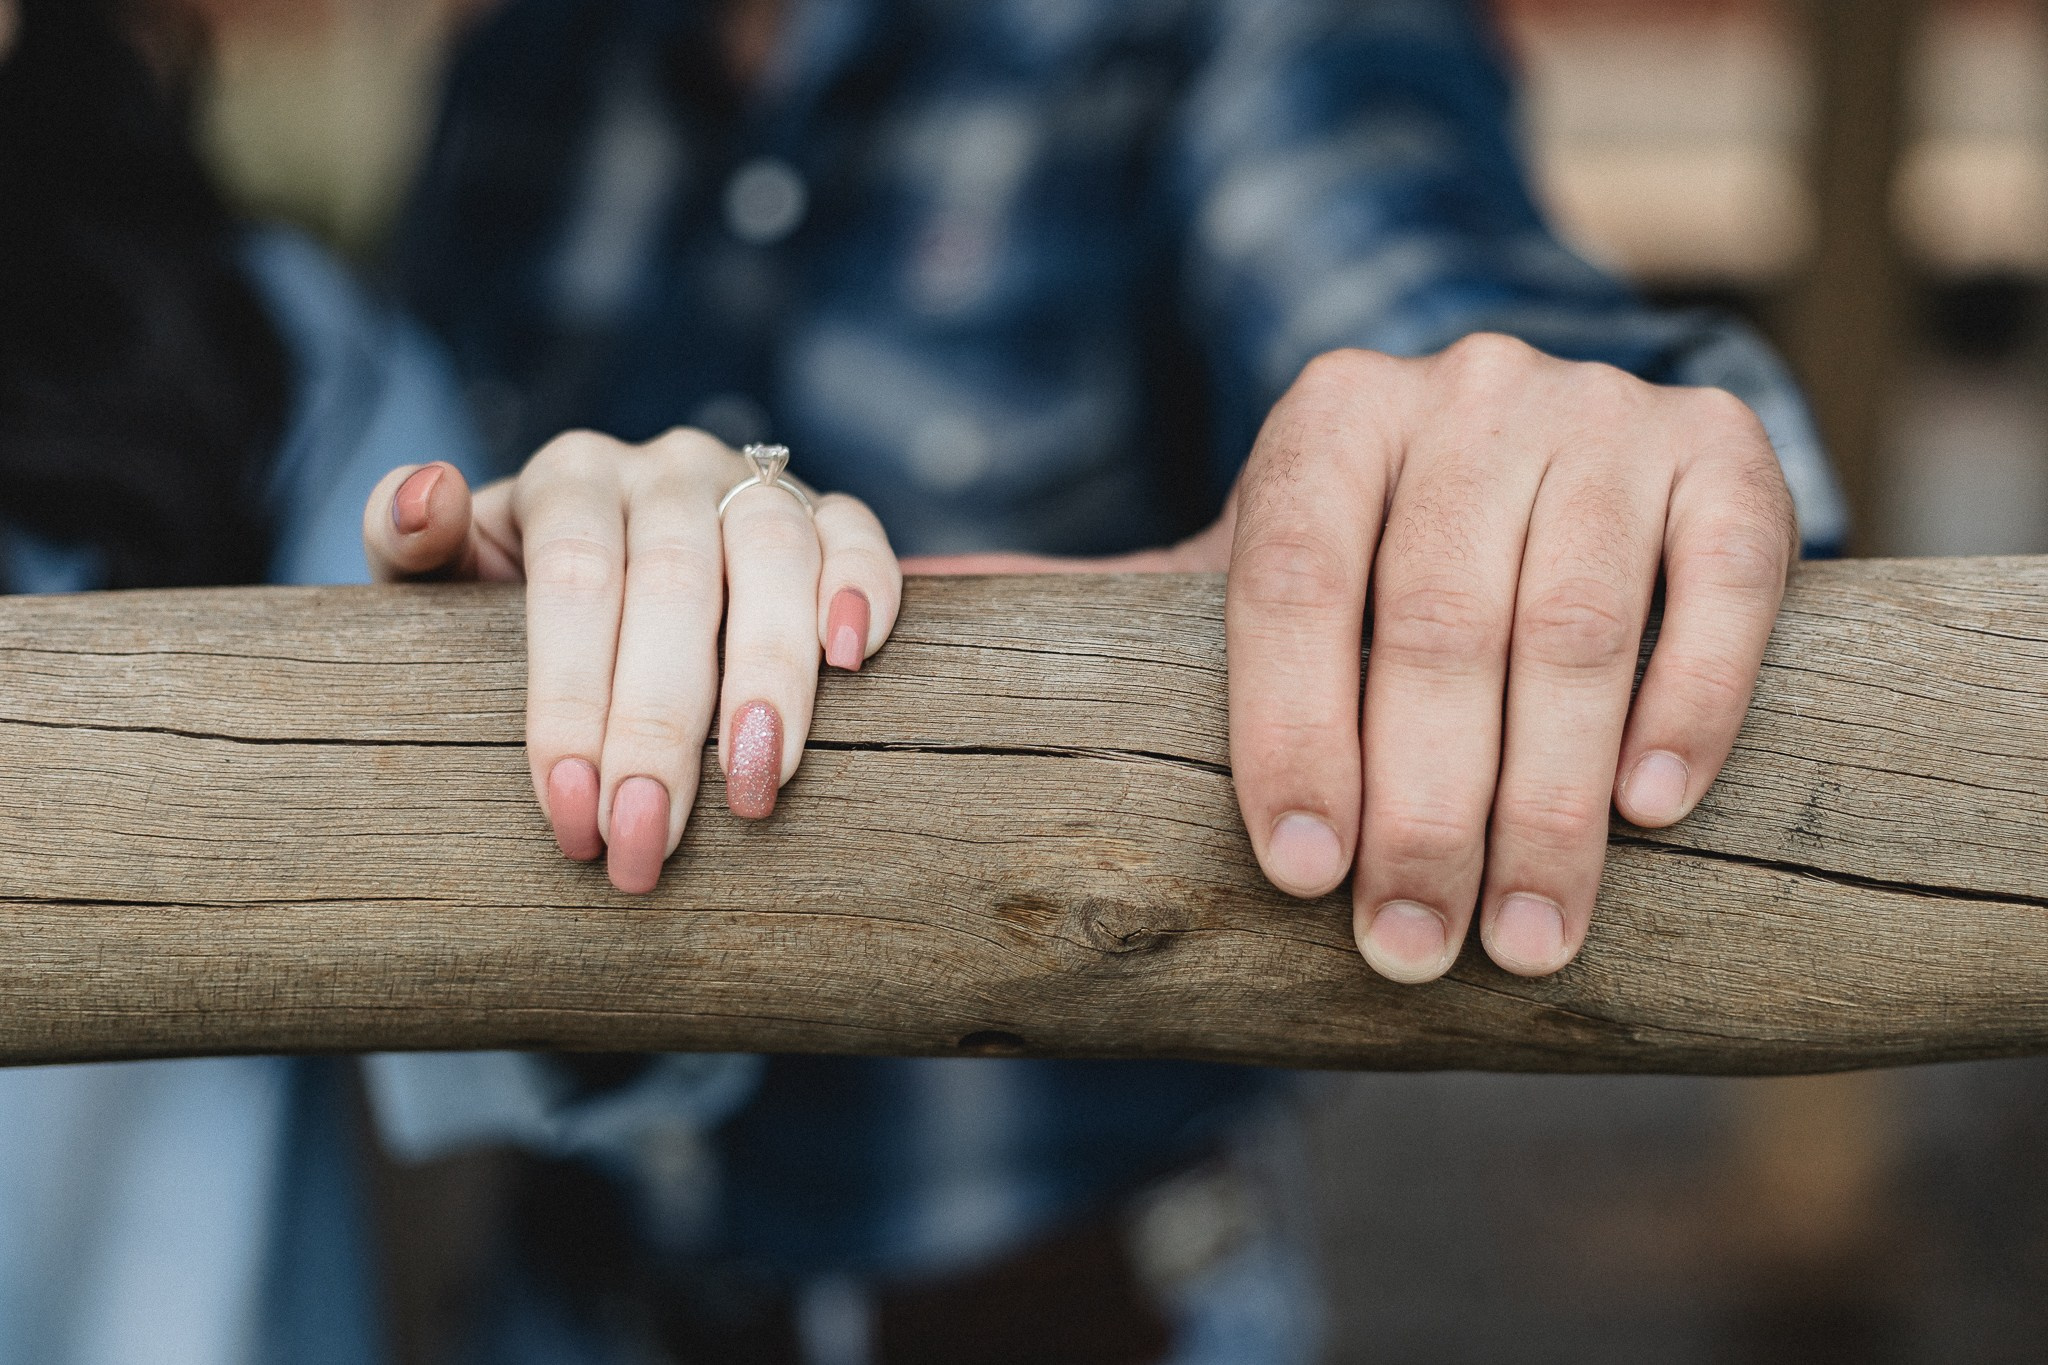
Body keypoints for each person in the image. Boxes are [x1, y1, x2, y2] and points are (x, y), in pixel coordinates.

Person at [0, 0, 1845, 1362]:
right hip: (563, 1312)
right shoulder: (524, 89)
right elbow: (430, 634)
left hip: (1071, 1313)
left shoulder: (1239, 34)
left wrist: (1542, 447)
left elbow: (1438, 298)